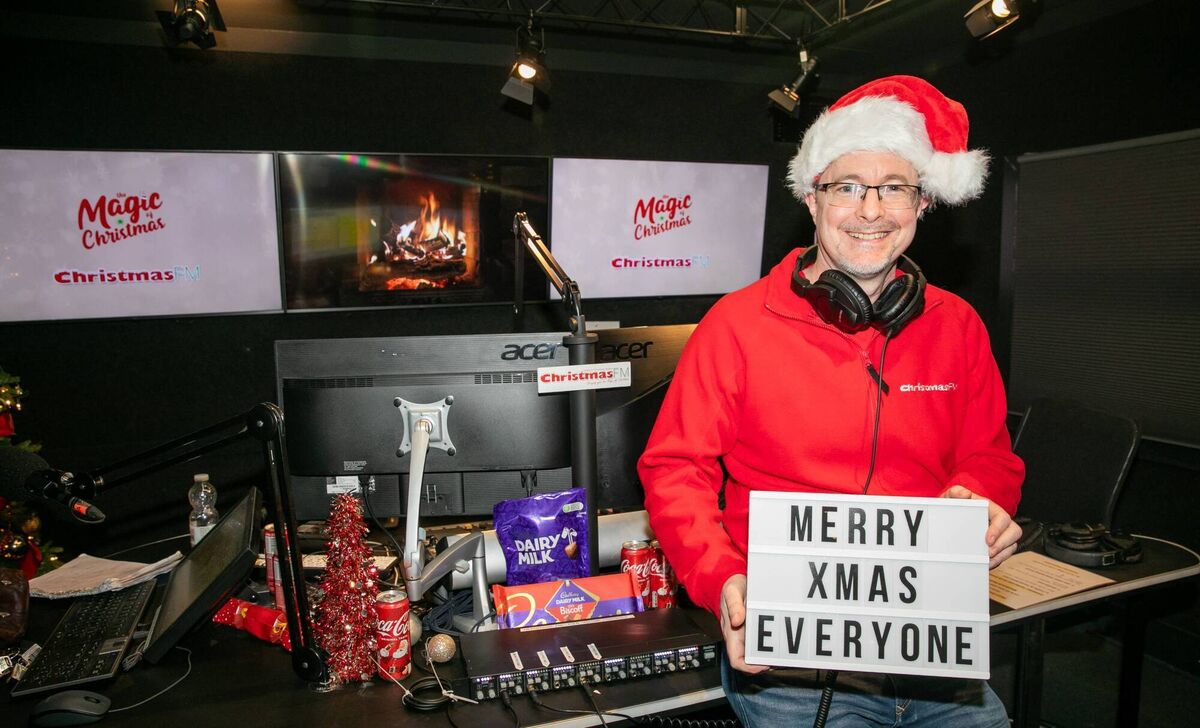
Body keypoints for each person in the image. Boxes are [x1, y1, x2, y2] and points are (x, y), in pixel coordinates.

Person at [637, 76, 1024, 727]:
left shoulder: (958, 325)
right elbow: (675, 469)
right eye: (847, 186)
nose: (870, 210)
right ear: (811, 198)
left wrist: (983, 503)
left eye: (894, 187)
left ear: (924, 202)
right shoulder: (736, 325)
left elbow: (990, 456)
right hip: (792, 667)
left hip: (929, 649)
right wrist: (722, 578)